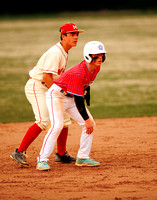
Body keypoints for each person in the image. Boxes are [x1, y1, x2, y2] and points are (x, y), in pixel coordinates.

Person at [10, 23, 84, 167]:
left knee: (63, 119)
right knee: (43, 120)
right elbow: (46, 77)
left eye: (77, 35)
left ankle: (61, 154)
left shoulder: (64, 51)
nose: (76, 37)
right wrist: (62, 93)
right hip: (37, 87)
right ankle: (19, 151)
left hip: (47, 87)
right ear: (63, 36)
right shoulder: (55, 52)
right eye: (72, 34)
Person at [36, 41, 107, 171]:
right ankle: (42, 160)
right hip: (56, 96)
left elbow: (85, 85)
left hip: (71, 97)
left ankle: (82, 157)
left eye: (102, 55)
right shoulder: (78, 73)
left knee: (91, 124)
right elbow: (79, 100)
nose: (100, 57)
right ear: (88, 56)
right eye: (96, 55)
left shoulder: (96, 67)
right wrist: (86, 119)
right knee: (57, 126)